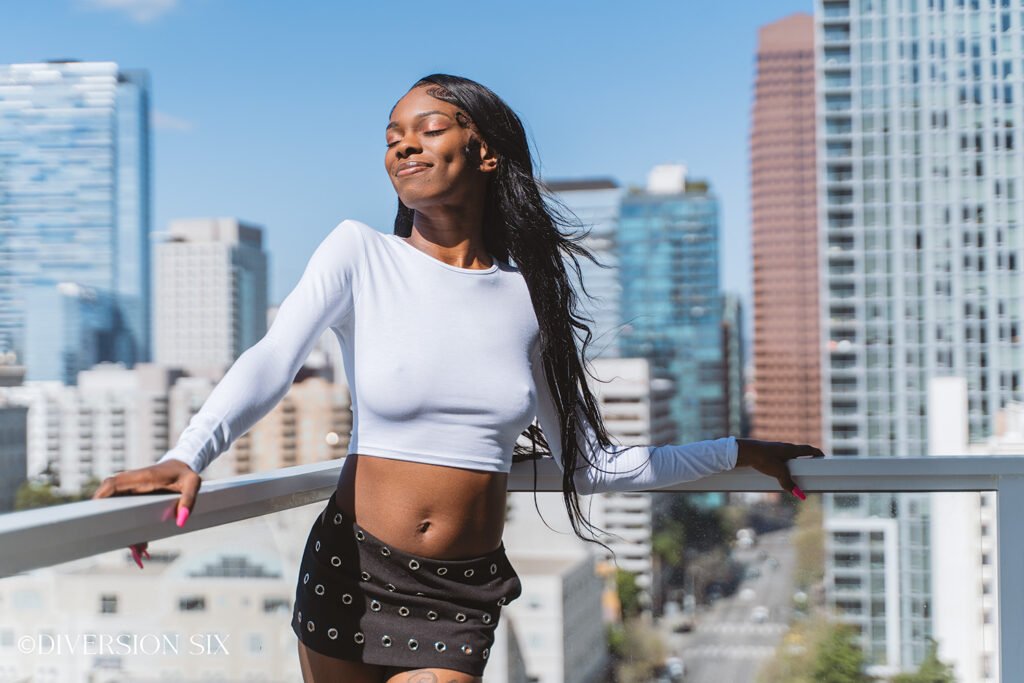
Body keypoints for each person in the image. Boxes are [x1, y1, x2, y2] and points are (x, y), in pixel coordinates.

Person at [92, 74, 824, 683]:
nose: (402, 142)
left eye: (427, 127)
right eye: (390, 134)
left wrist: (741, 454)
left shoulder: (529, 295)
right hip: (351, 565)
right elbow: (271, 359)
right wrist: (189, 454)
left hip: (458, 592)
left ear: (486, 153)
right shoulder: (358, 253)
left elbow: (594, 464)